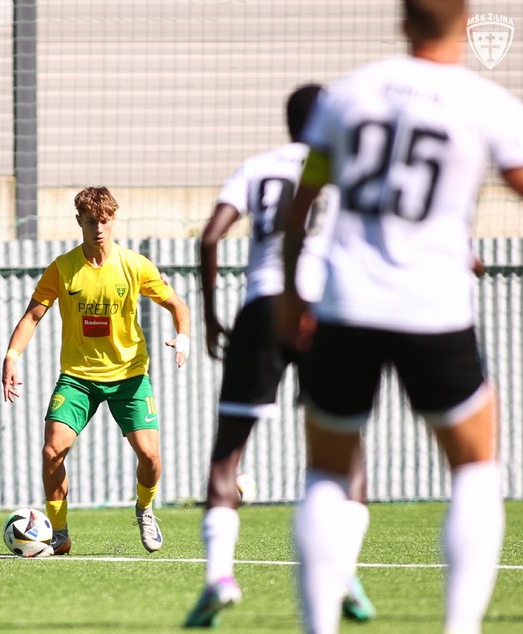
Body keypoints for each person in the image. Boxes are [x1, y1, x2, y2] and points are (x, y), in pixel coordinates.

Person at [277, 1, 523, 632]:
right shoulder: (487, 104)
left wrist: (291, 293)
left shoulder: (349, 95)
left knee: (327, 473)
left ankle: (317, 627)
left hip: (345, 305)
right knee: (474, 464)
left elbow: (301, 204)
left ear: (403, 20)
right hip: (434, 307)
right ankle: (460, 627)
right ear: (468, 21)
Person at [185, 85, 374, 628]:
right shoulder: (345, 169)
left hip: (262, 309)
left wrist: (212, 314)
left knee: (228, 456)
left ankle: (220, 576)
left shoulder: (258, 166)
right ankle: (342, 570)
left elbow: (210, 237)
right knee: (347, 455)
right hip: (327, 312)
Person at [2, 186, 191, 555]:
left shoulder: (135, 265)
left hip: (129, 377)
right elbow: (32, 316)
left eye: (104, 221)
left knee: (150, 457)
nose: (99, 228)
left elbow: (176, 304)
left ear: (113, 220)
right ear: (79, 222)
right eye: (91, 221)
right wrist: (11, 355)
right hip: (78, 378)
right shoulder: (62, 268)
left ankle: (145, 509)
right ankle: (59, 533)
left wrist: (182, 336)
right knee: (51, 452)